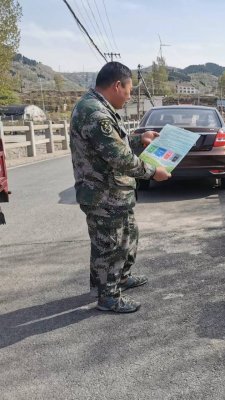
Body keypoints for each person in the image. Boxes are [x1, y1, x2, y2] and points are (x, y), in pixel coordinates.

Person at [70, 62, 171, 313]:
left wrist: (140, 139)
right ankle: (108, 296)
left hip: (115, 192)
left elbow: (115, 145)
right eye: (129, 90)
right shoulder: (94, 113)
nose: (129, 96)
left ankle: (120, 279)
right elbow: (119, 158)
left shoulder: (99, 108)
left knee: (127, 238)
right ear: (117, 85)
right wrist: (152, 172)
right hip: (103, 195)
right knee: (110, 247)